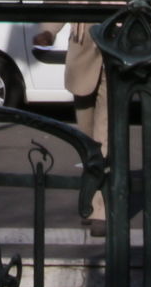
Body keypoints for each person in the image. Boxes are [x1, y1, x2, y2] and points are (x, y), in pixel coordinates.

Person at [34, 18, 108, 235]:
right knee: (86, 140)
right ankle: (90, 198)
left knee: (104, 135)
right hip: (83, 56)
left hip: (114, 54)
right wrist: (48, 32)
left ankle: (100, 210)